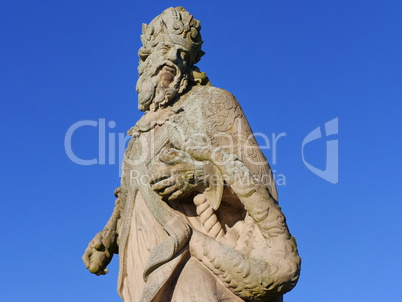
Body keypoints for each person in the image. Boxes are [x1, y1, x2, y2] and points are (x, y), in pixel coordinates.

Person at [83, 7, 300, 302]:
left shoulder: (213, 102)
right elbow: (132, 195)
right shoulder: (138, 136)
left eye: (180, 54)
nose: (172, 57)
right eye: (163, 50)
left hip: (195, 255)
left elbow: (263, 186)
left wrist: (202, 177)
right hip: (140, 260)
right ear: (144, 63)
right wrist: (109, 235)